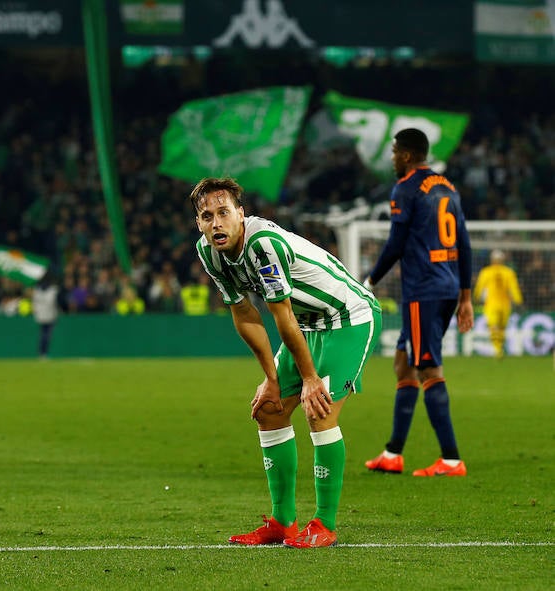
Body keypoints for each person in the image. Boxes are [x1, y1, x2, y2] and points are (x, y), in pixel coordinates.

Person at [190, 177, 380, 549]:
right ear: (198, 222)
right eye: (206, 216)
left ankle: (324, 524)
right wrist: (269, 380)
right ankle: (283, 522)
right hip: (307, 326)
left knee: (318, 410)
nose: (216, 223)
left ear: (240, 214)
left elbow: (282, 315)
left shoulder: (263, 245)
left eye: (223, 212)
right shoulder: (208, 251)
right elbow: (244, 315)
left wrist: (309, 379)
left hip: (348, 318)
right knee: (270, 410)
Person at [364, 128, 474, 477]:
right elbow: (465, 244)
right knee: (403, 363)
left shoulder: (406, 188)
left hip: (423, 291)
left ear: (407, 156)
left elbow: (395, 244)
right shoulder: (447, 187)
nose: (393, 157)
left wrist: (368, 282)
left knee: (427, 368)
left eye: (395, 151)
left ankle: (452, 459)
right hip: (447, 287)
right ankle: (393, 453)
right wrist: (466, 297)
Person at [474, 249, 523, 360]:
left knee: (495, 327)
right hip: (505, 304)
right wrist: (518, 300)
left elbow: (480, 287)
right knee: (500, 328)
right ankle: (498, 350)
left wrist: (475, 298)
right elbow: (514, 288)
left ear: (492, 260)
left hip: (491, 304)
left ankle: (498, 349)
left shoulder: (486, 272)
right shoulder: (509, 272)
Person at [31, 272, 59, 358]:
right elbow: (52, 303)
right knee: (46, 335)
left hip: (42, 315)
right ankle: (43, 353)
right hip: (49, 315)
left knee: (44, 335)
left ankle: (42, 353)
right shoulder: (52, 290)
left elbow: (34, 304)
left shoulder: (37, 291)